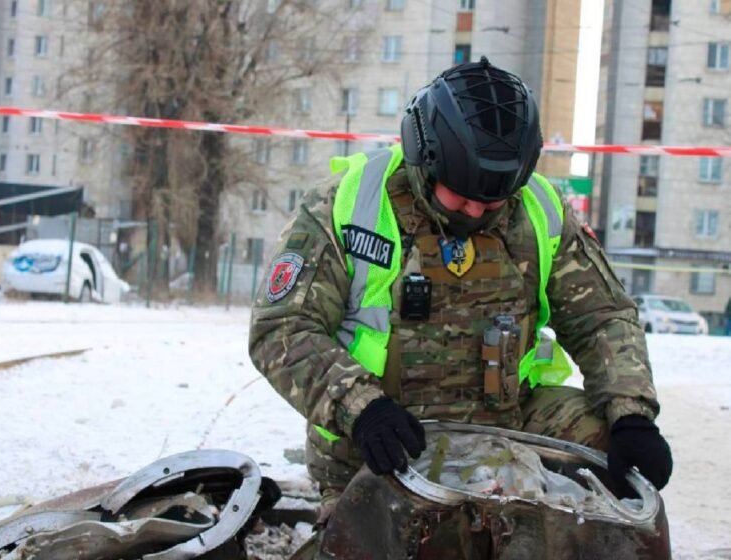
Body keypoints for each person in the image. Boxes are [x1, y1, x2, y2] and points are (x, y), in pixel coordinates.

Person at [248, 58, 672, 526]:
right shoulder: (349, 206)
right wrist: (360, 408)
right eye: (460, 194)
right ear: (423, 155)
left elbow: (603, 315)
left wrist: (631, 413)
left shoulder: (540, 211)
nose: (475, 210)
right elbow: (281, 329)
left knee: (614, 457)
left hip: (507, 423)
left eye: (492, 199)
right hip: (383, 441)